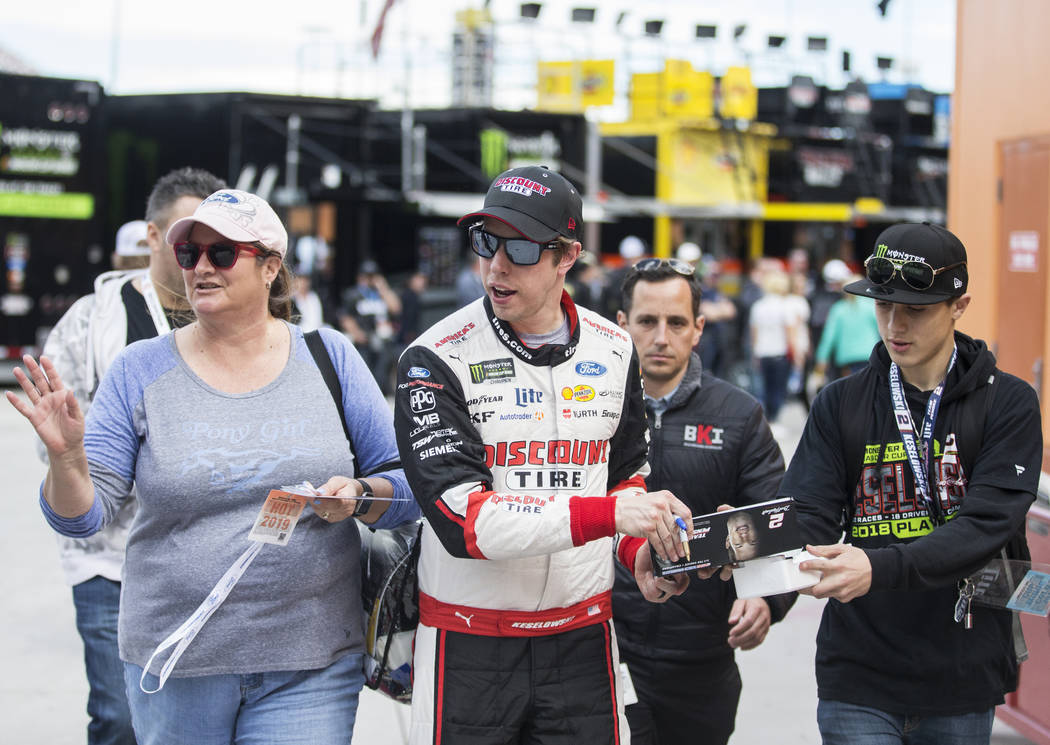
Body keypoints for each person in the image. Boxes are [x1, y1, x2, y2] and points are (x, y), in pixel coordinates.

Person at [9, 188, 418, 745]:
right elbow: (81, 519)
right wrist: (66, 459)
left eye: (221, 253)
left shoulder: (330, 357)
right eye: (189, 254)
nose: (200, 267)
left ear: (271, 267)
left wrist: (359, 494)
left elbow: (406, 486)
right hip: (176, 661)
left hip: (311, 661)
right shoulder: (139, 369)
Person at [393, 165, 693, 745]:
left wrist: (641, 554)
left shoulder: (614, 347)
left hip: (582, 639)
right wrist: (610, 519)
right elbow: (463, 522)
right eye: (485, 241)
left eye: (522, 248)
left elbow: (625, 477)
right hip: (469, 643)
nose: (496, 265)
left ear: (567, 256)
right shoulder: (433, 359)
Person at [780, 222, 1041, 743]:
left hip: (961, 673)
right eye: (883, 306)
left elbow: (987, 525)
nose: (895, 324)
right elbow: (807, 514)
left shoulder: (1007, 403)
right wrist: (736, 545)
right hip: (858, 673)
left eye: (915, 310)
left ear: (959, 306)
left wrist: (877, 566)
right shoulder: (840, 403)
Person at [36, 166, 225, 745]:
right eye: (184, 241)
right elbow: (58, 441)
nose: (199, 257)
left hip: (204, 553)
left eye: (214, 245)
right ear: (151, 236)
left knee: (187, 721)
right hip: (108, 554)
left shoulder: (233, 319)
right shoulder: (92, 322)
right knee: (119, 717)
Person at [612, 258, 792, 745]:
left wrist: (766, 598)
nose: (661, 338)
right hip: (599, 649)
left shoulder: (738, 414)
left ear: (698, 328)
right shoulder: (589, 409)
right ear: (622, 324)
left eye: (676, 323)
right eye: (647, 322)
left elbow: (777, 521)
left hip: (699, 658)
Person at [339, 258, 401, 394]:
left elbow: (396, 308)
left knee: (381, 375)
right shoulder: (353, 294)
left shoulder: (381, 294)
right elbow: (346, 317)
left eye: (373, 276)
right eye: (367, 276)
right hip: (364, 341)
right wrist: (357, 333)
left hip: (382, 340)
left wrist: (383, 288)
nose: (369, 280)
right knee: (364, 374)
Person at [749, 268, 797, 421]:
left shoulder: (758, 306)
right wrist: (795, 353)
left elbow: (754, 333)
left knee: (766, 387)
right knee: (778, 388)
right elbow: (790, 332)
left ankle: (768, 417)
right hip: (780, 352)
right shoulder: (785, 306)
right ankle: (774, 418)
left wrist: (755, 352)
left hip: (763, 352)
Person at [813, 273, 881, 381]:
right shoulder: (871, 306)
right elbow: (882, 330)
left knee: (852, 390)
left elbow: (829, 336)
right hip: (870, 355)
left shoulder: (838, 309)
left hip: (847, 359)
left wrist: (822, 358)